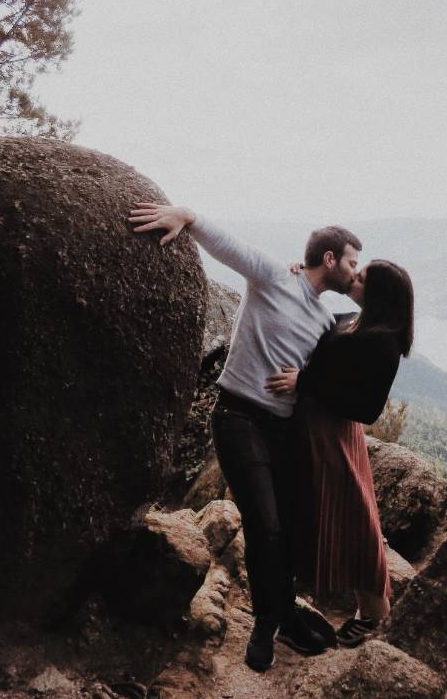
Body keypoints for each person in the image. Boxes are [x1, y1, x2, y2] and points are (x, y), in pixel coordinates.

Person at [129, 201, 362, 672]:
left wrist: (306, 381)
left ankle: (285, 617)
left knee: (290, 527)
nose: (355, 272)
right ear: (331, 259)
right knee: (265, 526)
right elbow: (229, 248)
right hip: (239, 419)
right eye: (353, 262)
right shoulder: (275, 276)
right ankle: (264, 625)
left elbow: (341, 360)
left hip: (285, 429)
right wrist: (187, 216)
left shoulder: (323, 319)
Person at [265, 260, 414, 647]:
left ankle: (376, 616)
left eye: (362, 277)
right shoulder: (350, 318)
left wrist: (306, 382)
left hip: (335, 436)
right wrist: (303, 272)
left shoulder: (384, 341)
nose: (354, 278)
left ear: (379, 293)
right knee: (330, 515)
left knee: (356, 520)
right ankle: (361, 610)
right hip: (314, 431)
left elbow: (367, 409)